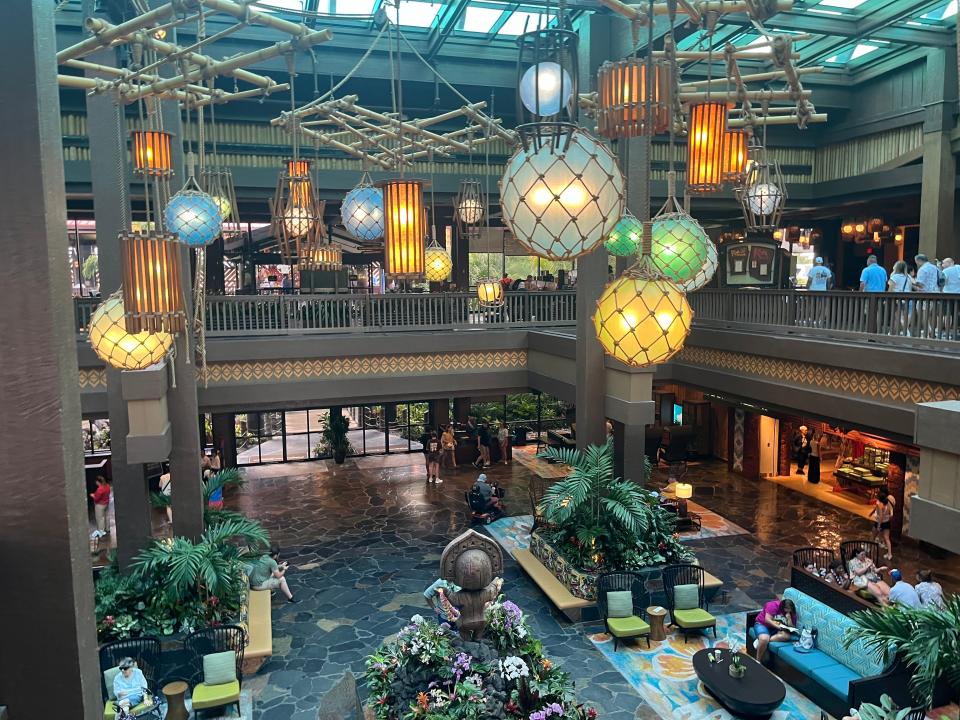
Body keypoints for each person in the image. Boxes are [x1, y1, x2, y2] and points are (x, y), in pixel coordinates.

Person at [753, 597, 797, 662]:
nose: (788, 611)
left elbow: (792, 627)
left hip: (777, 630)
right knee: (764, 639)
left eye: (790, 609)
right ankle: (757, 661)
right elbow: (767, 620)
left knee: (786, 636)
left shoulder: (791, 613)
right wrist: (778, 627)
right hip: (763, 624)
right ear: (782, 607)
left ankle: (761, 641)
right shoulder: (773, 605)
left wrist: (789, 619)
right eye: (786, 609)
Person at [871, 487, 896, 560]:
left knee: (873, 535)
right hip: (887, 522)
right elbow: (891, 514)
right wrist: (888, 519)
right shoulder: (888, 503)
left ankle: (869, 548)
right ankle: (889, 554)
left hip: (879, 522)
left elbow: (881, 516)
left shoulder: (879, 504)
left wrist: (879, 525)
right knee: (887, 538)